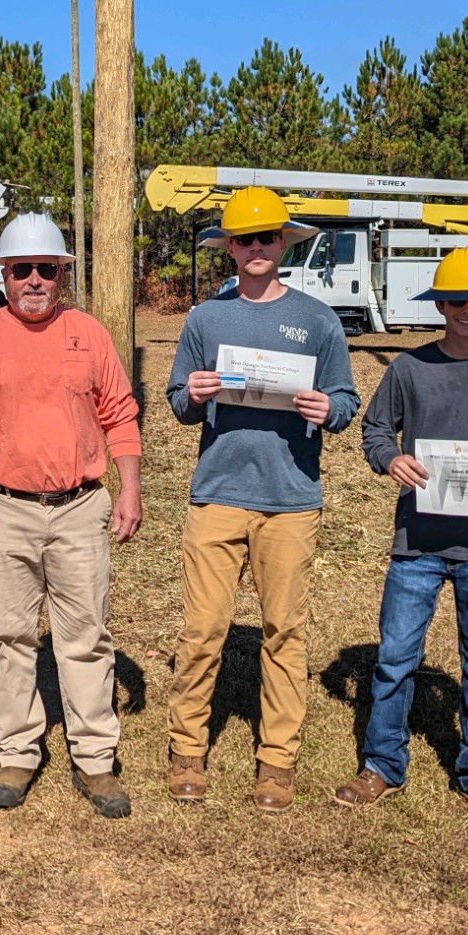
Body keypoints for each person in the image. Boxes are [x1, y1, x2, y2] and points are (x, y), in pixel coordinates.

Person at [0, 212, 142, 818]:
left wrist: (129, 491)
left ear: (61, 275)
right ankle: (19, 749)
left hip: (79, 508)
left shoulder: (89, 334)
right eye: (20, 269)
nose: (33, 281)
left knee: (86, 637)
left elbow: (120, 414)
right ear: (3, 275)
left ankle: (95, 759)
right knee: (7, 636)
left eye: (45, 270)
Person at [164, 188, 359, 811]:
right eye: (244, 239)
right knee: (202, 630)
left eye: (266, 238)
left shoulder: (319, 319)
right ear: (228, 249)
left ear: (283, 244)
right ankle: (187, 748)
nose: (255, 249)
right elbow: (177, 405)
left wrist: (331, 409)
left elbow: (347, 402)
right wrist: (192, 394)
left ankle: (276, 761)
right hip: (217, 494)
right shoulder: (205, 320)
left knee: (284, 632)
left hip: (291, 499)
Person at [340, 248, 468, 828]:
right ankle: (382, 764)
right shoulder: (408, 369)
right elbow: (376, 428)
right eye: (455, 300)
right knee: (395, 659)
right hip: (417, 543)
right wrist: (389, 460)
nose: (465, 310)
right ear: (439, 304)